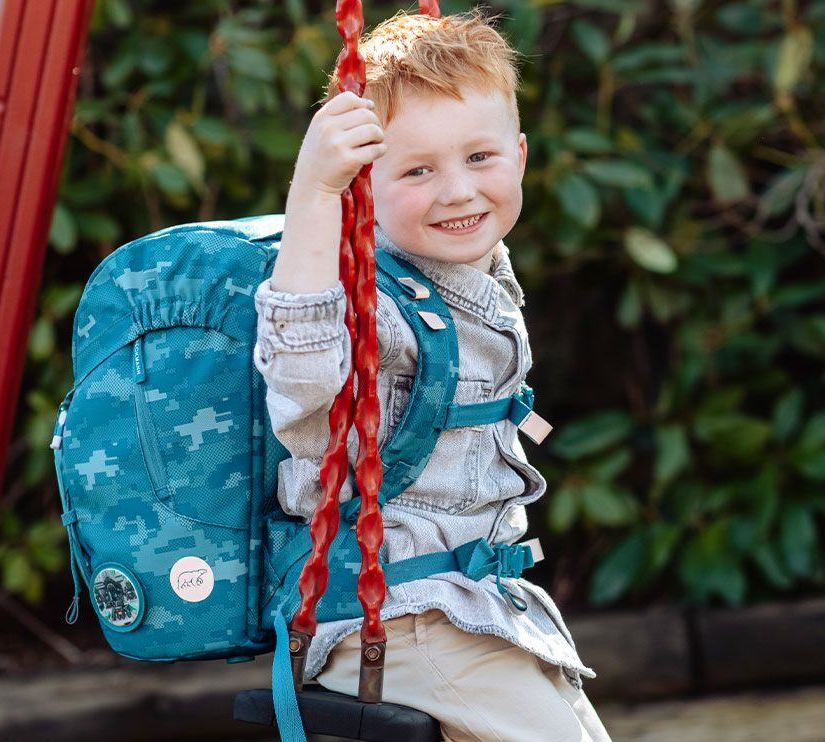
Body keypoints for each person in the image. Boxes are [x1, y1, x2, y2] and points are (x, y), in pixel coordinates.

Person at [252, 8, 612, 742]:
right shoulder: (371, 300)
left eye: (480, 158)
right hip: (404, 621)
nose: (458, 191)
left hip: (475, 607)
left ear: (519, 153)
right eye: (418, 170)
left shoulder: (474, 268)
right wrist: (315, 195)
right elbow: (305, 384)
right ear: (363, 184)